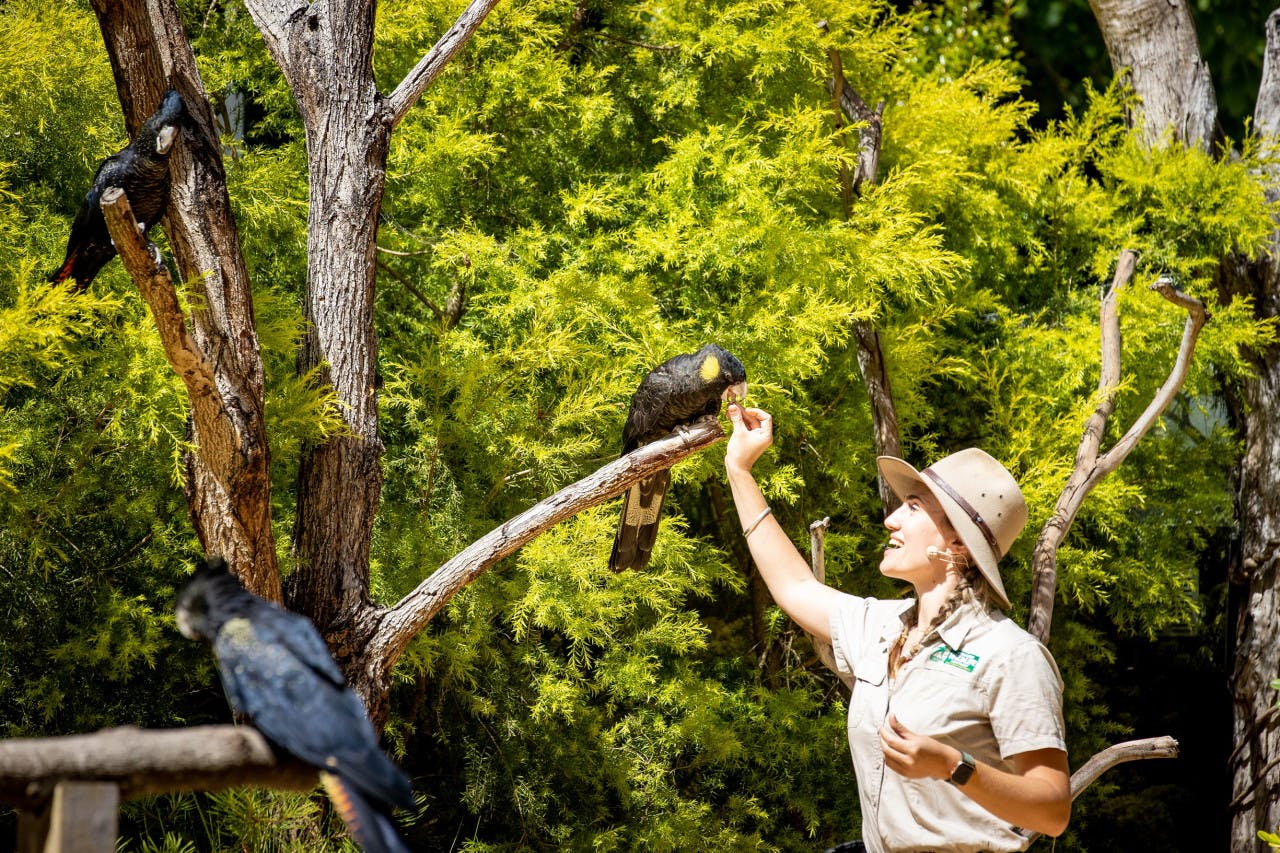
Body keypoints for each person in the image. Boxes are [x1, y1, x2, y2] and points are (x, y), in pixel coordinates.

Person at [724, 404, 1070, 853]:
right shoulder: (882, 627)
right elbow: (794, 587)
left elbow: (1052, 811)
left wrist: (954, 765)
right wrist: (739, 470)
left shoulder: (1011, 655)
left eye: (913, 507)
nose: (891, 519)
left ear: (957, 543)